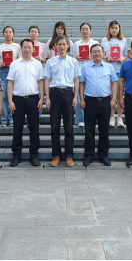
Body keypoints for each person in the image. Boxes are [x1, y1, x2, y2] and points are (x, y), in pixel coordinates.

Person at [80, 44, 118, 167]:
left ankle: (103, 155)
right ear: (90, 54)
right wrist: (81, 99)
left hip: (105, 101)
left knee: (104, 129)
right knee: (89, 129)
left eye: (99, 51)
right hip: (90, 101)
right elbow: (81, 83)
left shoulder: (109, 67)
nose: (97, 54)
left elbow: (114, 83)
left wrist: (114, 99)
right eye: (94, 51)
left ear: (103, 53)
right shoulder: (85, 67)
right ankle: (89, 155)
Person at [8, 39, 45, 167]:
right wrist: (10, 100)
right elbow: (10, 83)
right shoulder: (14, 64)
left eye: (29, 47)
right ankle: (16, 156)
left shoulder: (38, 64)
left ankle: (34, 155)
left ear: (33, 49)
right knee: (17, 128)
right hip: (17, 99)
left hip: (33, 99)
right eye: (25, 47)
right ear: (21, 48)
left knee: (34, 128)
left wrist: (41, 99)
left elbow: (40, 82)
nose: (27, 49)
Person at [45, 35, 80, 167]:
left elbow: (76, 79)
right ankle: (56, 155)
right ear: (55, 46)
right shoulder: (50, 62)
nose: (62, 46)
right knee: (54, 126)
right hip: (54, 93)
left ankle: (69, 155)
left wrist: (75, 97)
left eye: (64, 44)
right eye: (59, 44)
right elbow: (47, 80)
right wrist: (47, 97)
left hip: (69, 93)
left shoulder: (73, 61)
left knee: (69, 126)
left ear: (68, 46)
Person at [70, 23, 99, 128]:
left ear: (90, 31)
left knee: (91, 97)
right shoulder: (76, 44)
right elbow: (71, 57)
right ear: (80, 31)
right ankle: (80, 119)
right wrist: (76, 58)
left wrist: (92, 57)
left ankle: (92, 118)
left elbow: (100, 57)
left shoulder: (95, 43)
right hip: (79, 72)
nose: (85, 31)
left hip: (92, 72)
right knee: (78, 97)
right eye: (83, 29)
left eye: (87, 29)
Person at [101, 21, 128, 128]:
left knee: (119, 94)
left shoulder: (123, 40)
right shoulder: (105, 40)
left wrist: (122, 59)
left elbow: (126, 55)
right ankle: (112, 117)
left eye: (116, 28)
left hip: (119, 70)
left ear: (119, 29)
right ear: (109, 29)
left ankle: (119, 117)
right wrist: (106, 57)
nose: (114, 30)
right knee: (111, 94)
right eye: (112, 28)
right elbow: (101, 54)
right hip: (108, 70)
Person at [0, 26, 21, 127]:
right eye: (6, 32)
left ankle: (11, 118)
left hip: (14, 71)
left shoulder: (17, 47)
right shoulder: (0, 47)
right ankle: (3, 118)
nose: (8, 34)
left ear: (13, 34)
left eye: (10, 32)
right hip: (3, 71)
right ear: (3, 34)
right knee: (4, 95)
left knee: (13, 95)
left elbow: (20, 60)